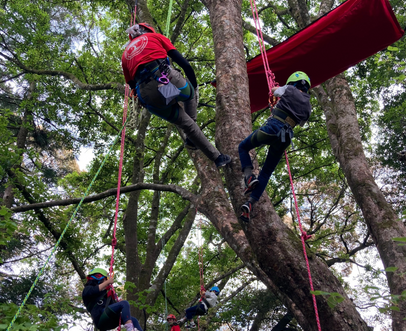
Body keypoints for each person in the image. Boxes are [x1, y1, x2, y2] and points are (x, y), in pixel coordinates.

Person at [121, 23, 231, 168]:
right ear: (147, 30)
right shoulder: (155, 37)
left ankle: (217, 158)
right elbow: (185, 65)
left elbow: (131, 85)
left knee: (187, 125)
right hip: (165, 78)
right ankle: (197, 142)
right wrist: (194, 87)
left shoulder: (125, 55)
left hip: (147, 95)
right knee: (189, 95)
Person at [238, 71, 312, 222]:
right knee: (266, 172)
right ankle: (250, 203)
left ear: (293, 82)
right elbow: (302, 122)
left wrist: (277, 88)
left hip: (273, 127)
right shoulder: (308, 106)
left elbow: (274, 91)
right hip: (285, 137)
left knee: (243, 147)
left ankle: (249, 177)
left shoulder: (289, 89)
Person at [81, 267, 162, 331]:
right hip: (100, 318)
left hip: (108, 319)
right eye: (104, 280)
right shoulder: (87, 289)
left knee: (133, 319)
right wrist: (108, 282)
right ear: (99, 278)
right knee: (124, 303)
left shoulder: (105, 294)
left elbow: (113, 307)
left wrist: (115, 300)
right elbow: (94, 290)